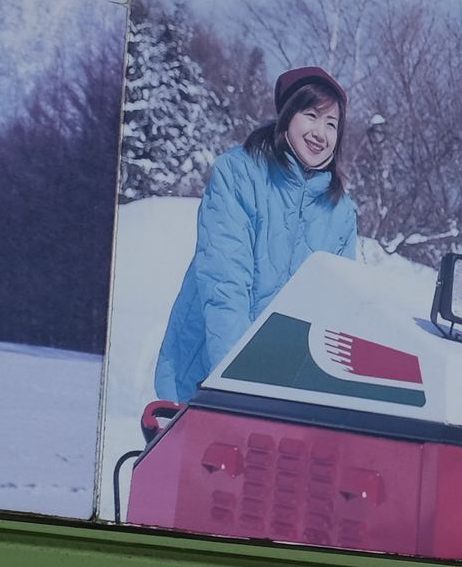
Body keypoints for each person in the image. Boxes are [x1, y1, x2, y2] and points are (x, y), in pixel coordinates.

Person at [153, 65, 360, 402]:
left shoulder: (341, 212)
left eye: (332, 124)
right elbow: (225, 282)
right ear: (288, 115)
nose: (320, 133)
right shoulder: (240, 173)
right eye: (311, 115)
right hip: (206, 370)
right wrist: (236, 381)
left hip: (283, 391)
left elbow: (335, 311)